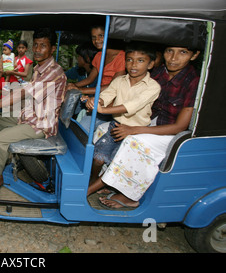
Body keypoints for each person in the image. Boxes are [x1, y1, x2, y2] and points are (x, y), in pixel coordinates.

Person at [87, 46, 201, 210]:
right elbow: (127, 91)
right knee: (103, 128)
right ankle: (113, 182)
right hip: (152, 120)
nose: (173, 58)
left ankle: (126, 196)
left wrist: (134, 129)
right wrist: (98, 100)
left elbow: (179, 126)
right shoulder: (159, 72)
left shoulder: (193, 81)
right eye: (170, 51)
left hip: (173, 132)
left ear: (194, 55)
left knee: (134, 141)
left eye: (183, 52)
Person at [0, 29, 67, 198]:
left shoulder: (53, 72)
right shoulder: (40, 68)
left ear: (52, 49)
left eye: (43, 46)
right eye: (35, 45)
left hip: (41, 125)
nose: (37, 49)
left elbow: (24, 93)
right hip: (31, 115)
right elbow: (25, 90)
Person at [83, 42, 161, 184]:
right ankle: (93, 179)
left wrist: (103, 110)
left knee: (118, 161)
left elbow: (131, 106)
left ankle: (106, 184)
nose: (134, 64)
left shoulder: (153, 87)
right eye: (130, 60)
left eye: (140, 60)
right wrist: (97, 101)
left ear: (150, 64)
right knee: (98, 158)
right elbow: (107, 95)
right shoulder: (119, 81)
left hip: (137, 132)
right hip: (116, 126)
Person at [67, 25, 126, 95]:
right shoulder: (99, 56)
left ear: (109, 36)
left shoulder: (122, 57)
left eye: (101, 36)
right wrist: (73, 85)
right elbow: (90, 79)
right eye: (93, 37)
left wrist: (81, 90)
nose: (96, 40)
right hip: (101, 95)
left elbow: (112, 86)